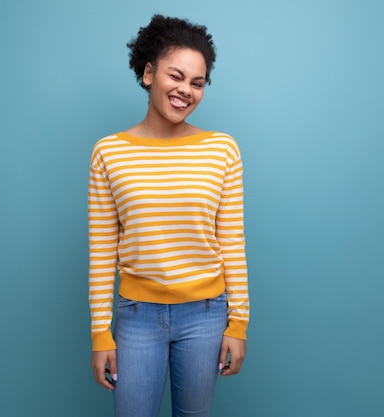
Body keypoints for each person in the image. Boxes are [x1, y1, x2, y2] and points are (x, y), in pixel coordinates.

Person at [87, 14, 250, 417]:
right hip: (136, 316)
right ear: (148, 73)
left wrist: (238, 325)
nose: (185, 91)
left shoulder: (222, 150)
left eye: (197, 83)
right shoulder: (109, 153)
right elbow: (103, 250)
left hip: (207, 315)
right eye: (175, 76)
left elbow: (231, 241)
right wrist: (100, 334)